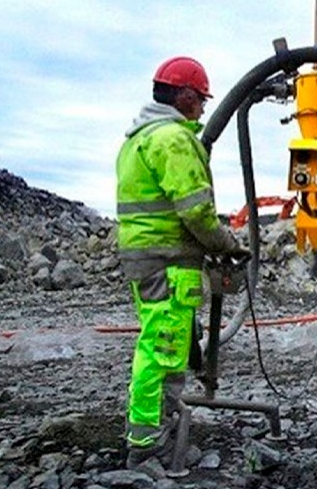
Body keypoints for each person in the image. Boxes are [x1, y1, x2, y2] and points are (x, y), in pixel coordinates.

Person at [116, 56, 246, 468]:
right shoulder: (172, 139)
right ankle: (148, 446)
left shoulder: (137, 139)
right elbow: (195, 212)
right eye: (201, 101)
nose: (204, 108)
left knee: (165, 348)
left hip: (148, 262)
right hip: (169, 263)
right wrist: (227, 243)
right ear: (186, 96)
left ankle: (160, 433)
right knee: (161, 350)